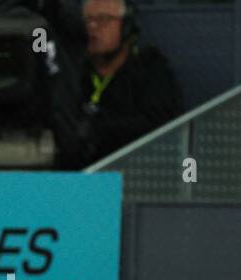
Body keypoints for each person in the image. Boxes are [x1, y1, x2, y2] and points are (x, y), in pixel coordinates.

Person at [58, 0, 181, 167]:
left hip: (133, 174)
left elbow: (160, 128)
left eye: (103, 19)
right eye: (88, 20)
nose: (93, 27)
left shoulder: (150, 70)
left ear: (126, 27)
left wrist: (99, 131)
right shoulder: (75, 72)